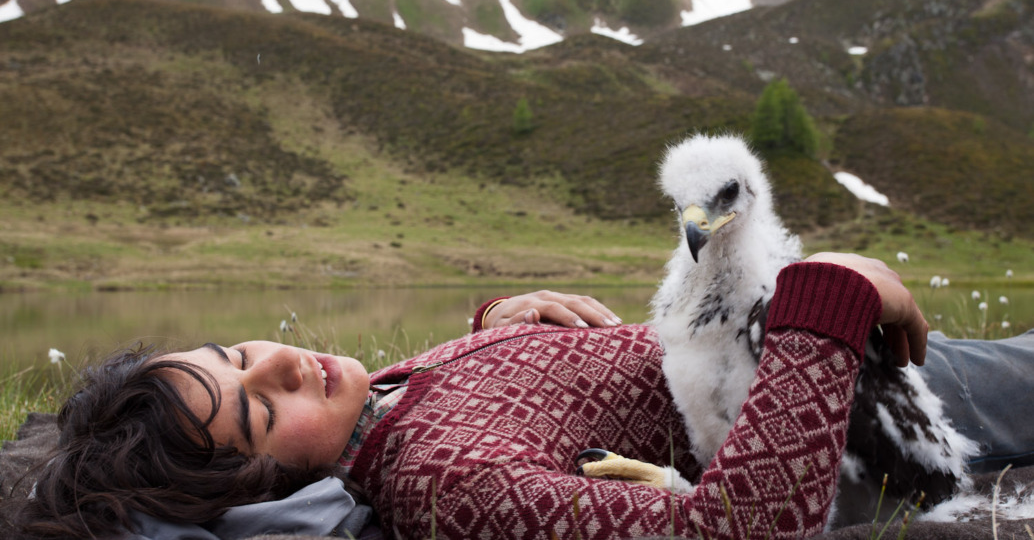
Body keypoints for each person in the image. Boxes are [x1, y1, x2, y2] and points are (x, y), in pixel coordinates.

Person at [12, 252, 1007, 539]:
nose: (275, 363)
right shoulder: (446, 483)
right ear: (264, 486)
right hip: (855, 397)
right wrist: (824, 300)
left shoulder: (383, 409)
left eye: (234, 350)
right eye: (260, 410)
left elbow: (456, 392)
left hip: (780, 354)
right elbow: (739, 524)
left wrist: (501, 321)